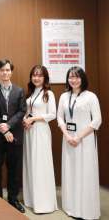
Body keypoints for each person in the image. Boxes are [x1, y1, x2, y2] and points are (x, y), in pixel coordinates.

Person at [57, 66, 101, 219]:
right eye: (70, 77)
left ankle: (86, 209)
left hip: (85, 140)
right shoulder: (64, 96)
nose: (73, 80)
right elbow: (60, 118)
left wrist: (78, 137)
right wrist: (67, 135)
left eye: (76, 77)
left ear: (82, 79)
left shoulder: (91, 96)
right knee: (71, 171)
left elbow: (97, 120)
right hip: (68, 139)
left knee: (85, 172)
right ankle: (71, 208)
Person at [0, 59, 26, 213]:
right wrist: (4, 130)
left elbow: (22, 111)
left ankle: (13, 199)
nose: (5, 73)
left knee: (14, 169)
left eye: (8, 70)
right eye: (2, 70)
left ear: (11, 71)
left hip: (15, 136)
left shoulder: (19, 91)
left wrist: (9, 125)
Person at [22, 65, 58, 213]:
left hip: (41, 131)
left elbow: (52, 115)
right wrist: (25, 119)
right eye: (34, 75)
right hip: (29, 131)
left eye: (40, 75)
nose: (36, 78)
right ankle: (31, 199)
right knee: (31, 163)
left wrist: (34, 119)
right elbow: (28, 112)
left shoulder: (48, 93)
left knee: (41, 164)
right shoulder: (31, 93)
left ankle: (44, 203)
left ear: (45, 78)